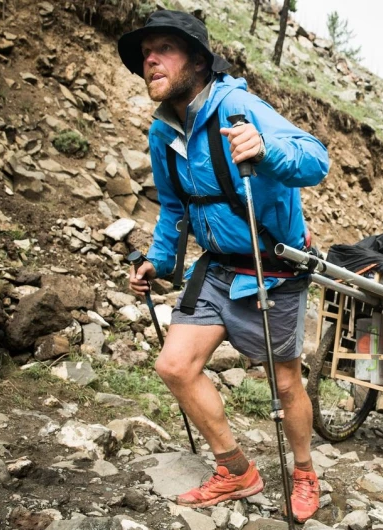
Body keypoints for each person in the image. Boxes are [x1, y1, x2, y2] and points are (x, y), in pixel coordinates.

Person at [118, 10, 329, 521]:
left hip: (271, 268)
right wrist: (159, 261)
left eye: (164, 48)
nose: (150, 60)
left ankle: (304, 472)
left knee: (283, 384)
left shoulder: (237, 104)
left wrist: (266, 147)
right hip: (215, 269)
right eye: (146, 53)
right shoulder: (162, 130)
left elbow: (314, 158)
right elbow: (174, 208)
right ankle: (236, 471)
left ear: (197, 60)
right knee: (174, 366)